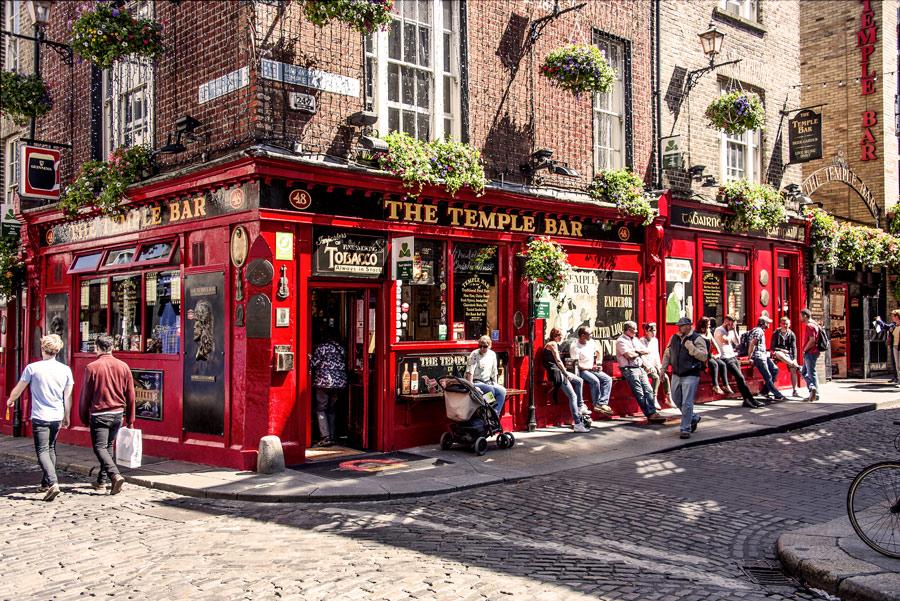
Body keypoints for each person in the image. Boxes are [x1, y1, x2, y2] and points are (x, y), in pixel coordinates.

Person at [5, 335, 73, 501]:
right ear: (57, 350)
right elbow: (68, 396)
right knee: (50, 448)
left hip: (40, 415)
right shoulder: (65, 370)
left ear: (43, 349)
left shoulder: (32, 368)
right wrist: (67, 415)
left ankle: (53, 483)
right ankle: (45, 483)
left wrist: (10, 400)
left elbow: (19, 389)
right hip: (57, 415)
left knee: (42, 450)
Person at [79, 334, 135, 495]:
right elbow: (130, 394)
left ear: (97, 347)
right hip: (118, 414)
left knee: (99, 448)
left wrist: (83, 417)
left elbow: (85, 396)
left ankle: (114, 475)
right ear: (112, 347)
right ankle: (101, 481)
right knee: (108, 446)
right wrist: (130, 419)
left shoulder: (92, 367)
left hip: (100, 414)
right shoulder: (123, 366)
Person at [662, 317, 707, 439]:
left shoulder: (697, 338)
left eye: (681, 326)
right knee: (676, 399)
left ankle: (685, 429)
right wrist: (663, 370)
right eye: (679, 326)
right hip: (677, 374)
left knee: (687, 402)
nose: (679, 328)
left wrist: (691, 348)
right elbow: (667, 354)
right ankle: (693, 418)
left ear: (688, 326)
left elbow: (704, 356)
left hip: (691, 374)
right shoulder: (674, 338)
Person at [615, 321, 664, 422]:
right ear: (628, 330)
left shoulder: (636, 340)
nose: (636, 332)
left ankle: (653, 412)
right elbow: (629, 356)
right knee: (639, 393)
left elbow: (646, 351)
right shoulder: (621, 341)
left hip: (640, 367)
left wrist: (636, 352)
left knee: (649, 390)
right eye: (634, 330)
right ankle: (650, 414)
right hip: (629, 369)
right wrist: (638, 352)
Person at [543, 328, 589, 433]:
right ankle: (577, 423)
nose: (562, 337)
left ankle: (580, 405)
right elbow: (558, 360)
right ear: (556, 336)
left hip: (559, 372)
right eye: (561, 335)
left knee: (579, 381)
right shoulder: (552, 344)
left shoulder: (552, 344)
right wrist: (566, 373)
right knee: (572, 396)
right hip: (558, 373)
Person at [310, 327, 348, 447]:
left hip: (324, 382)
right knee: (331, 409)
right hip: (339, 383)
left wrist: (309, 357)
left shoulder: (322, 347)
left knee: (321, 408)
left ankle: (325, 437)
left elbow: (314, 363)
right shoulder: (341, 348)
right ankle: (332, 436)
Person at [714, 315, 761, 408]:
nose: (732, 325)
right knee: (740, 378)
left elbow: (738, 342)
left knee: (741, 379)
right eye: (731, 323)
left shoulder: (730, 331)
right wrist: (730, 331)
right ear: (726, 321)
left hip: (733, 356)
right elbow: (725, 341)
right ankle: (750, 399)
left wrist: (734, 330)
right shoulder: (719, 330)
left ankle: (748, 400)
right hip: (725, 358)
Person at [569, 326, 613, 416]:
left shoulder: (591, 342)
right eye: (590, 334)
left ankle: (602, 403)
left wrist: (599, 364)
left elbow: (598, 351)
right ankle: (596, 404)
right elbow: (576, 364)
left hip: (591, 368)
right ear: (582, 335)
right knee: (595, 381)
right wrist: (589, 368)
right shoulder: (575, 346)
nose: (592, 335)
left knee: (608, 379)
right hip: (582, 370)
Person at [465, 335, 507, 418]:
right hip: (475, 382)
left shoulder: (492, 354)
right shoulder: (474, 354)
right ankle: (488, 411)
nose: (482, 348)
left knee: (501, 391)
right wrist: (471, 386)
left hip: (487, 381)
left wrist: (496, 385)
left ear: (490, 346)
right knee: (490, 390)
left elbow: (494, 372)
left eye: (485, 346)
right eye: (480, 346)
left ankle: (495, 414)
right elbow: (470, 371)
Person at [748, 315, 784, 401]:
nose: (769, 324)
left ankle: (764, 391)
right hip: (759, 356)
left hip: (763, 355)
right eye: (767, 323)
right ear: (763, 323)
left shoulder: (761, 331)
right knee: (767, 376)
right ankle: (777, 394)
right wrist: (750, 357)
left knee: (775, 369)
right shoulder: (758, 331)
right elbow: (753, 343)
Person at [696, 317, 732, 396]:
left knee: (722, 364)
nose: (709, 327)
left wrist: (718, 354)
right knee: (714, 364)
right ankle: (715, 385)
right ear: (702, 326)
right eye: (707, 325)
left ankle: (725, 385)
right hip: (701, 357)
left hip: (709, 355)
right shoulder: (697, 335)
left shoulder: (708, 333)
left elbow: (714, 344)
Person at [641, 322, 671, 410]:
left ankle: (668, 398)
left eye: (655, 330)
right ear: (646, 331)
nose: (654, 333)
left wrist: (659, 367)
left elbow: (656, 355)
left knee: (665, 377)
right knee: (656, 377)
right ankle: (654, 399)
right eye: (651, 331)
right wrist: (649, 367)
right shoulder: (641, 341)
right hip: (645, 366)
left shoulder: (655, 340)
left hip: (654, 365)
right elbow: (642, 357)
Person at [771, 317, 802, 398]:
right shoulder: (776, 333)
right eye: (784, 324)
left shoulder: (792, 334)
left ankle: (794, 391)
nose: (785, 325)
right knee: (779, 354)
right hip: (778, 354)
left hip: (788, 355)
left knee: (793, 370)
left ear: (790, 324)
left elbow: (794, 348)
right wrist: (781, 350)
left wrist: (795, 358)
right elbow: (772, 347)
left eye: (787, 324)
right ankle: (796, 366)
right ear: (780, 324)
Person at [799, 308, 821, 402]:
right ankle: (813, 390)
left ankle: (816, 394)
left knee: (811, 373)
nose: (800, 318)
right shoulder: (815, 324)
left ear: (805, 316)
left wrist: (804, 349)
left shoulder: (810, 326)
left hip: (810, 352)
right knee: (804, 372)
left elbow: (812, 340)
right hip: (813, 352)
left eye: (800, 316)